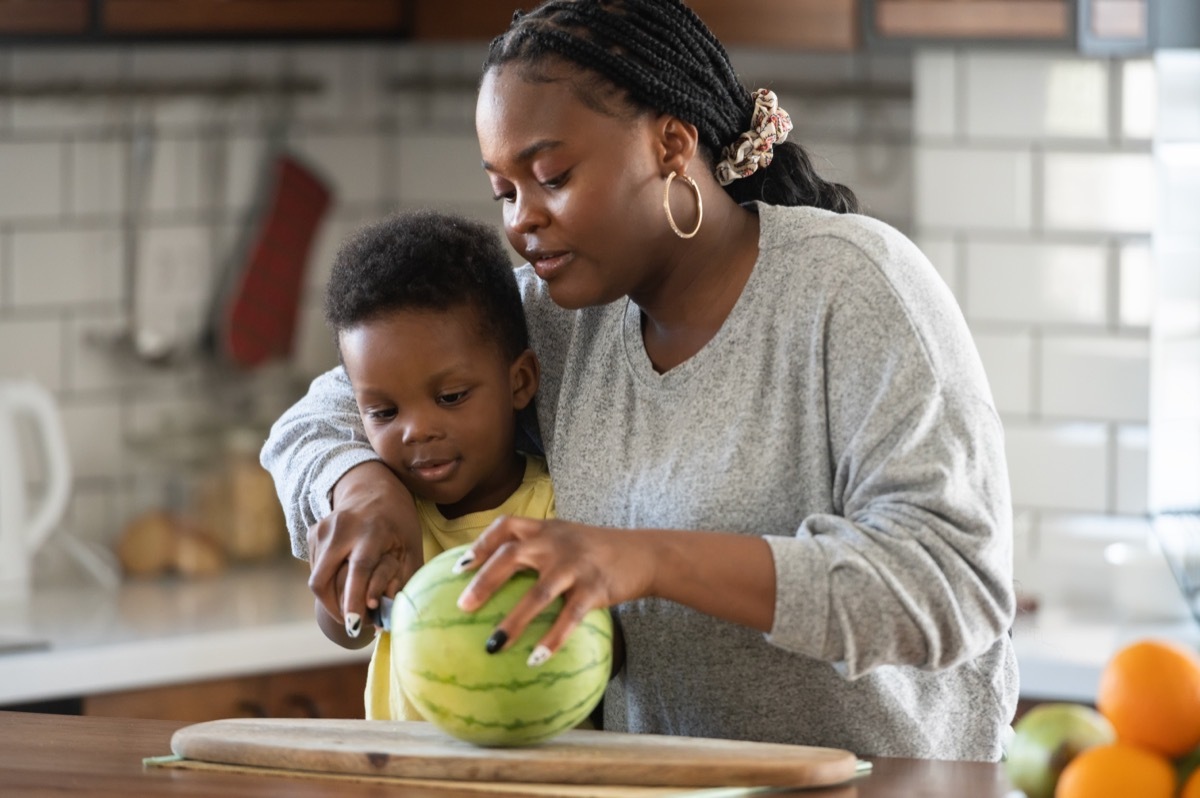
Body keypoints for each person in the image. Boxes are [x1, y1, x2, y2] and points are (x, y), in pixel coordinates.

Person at [262, 0, 1018, 760]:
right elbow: (320, 415)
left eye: (551, 175)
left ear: (670, 144)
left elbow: (951, 583)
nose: (522, 221)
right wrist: (364, 486)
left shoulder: (850, 287)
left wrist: (645, 559)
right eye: (504, 191)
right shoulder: (562, 319)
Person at [309, 209, 553, 721]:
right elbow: (346, 635)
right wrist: (341, 588)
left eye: (451, 396)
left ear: (520, 382)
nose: (414, 430)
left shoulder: (556, 512)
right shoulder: (393, 517)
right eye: (383, 411)